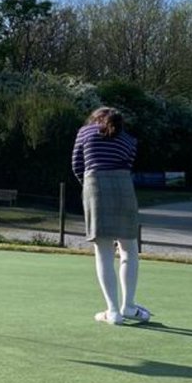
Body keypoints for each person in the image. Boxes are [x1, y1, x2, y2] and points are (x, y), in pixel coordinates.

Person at [72, 106, 149, 325]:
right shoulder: (129, 140)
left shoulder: (84, 132)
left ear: (96, 118)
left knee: (104, 251)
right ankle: (129, 306)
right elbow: (128, 166)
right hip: (124, 186)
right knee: (129, 249)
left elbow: (77, 165)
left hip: (95, 185)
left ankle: (113, 311)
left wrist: (89, 186)